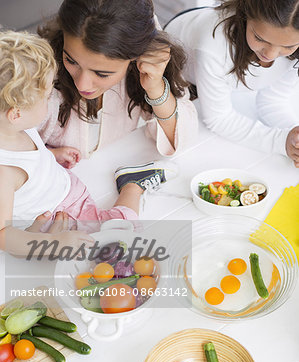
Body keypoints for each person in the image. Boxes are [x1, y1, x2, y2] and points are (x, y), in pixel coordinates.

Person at [0, 31, 177, 257]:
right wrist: (55, 244)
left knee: (120, 239)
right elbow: (3, 234)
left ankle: (132, 186)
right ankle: (132, 184)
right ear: (16, 113)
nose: (49, 100)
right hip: (57, 217)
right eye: (45, 98)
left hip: (67, 197)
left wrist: (52, 154)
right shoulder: (3, 173)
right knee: (119, 240)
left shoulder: (12, 127)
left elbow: (28, 156)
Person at [36, 0, 198, 166]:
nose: (82, 85)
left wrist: (155, 87)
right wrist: (47, 155)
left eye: (101, 73)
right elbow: (9, 146)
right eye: (71, 60)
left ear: (135, 58)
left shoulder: (140, 67)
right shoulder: (38, 75)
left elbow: (181, 138)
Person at [165, 1, 299, 167]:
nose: (271, 54)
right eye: (260, 38)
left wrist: (294, 139)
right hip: (177, 72)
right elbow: (218, 119)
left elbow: (273, 101)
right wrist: (280, 141)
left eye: (288, 46)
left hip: (218, 63)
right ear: (246, 16)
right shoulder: (212, 45)